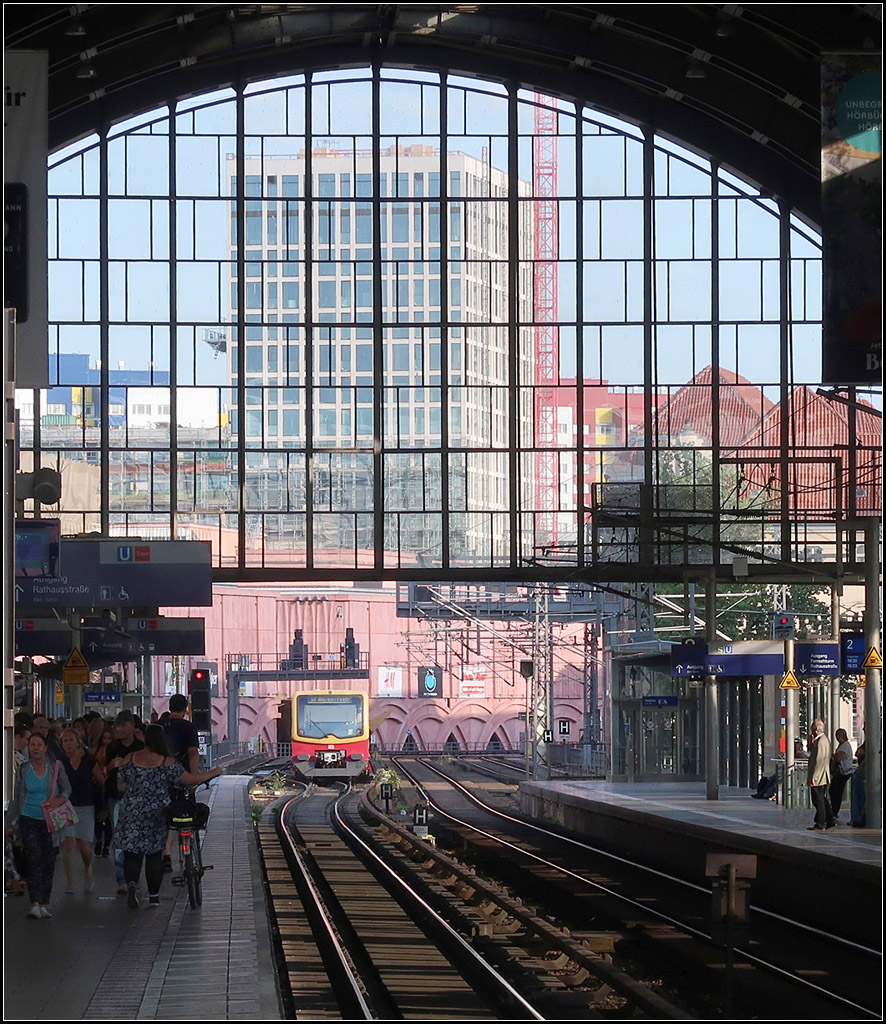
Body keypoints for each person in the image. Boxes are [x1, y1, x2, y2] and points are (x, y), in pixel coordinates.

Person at [112, 725, 223, 908]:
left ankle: (131, 883)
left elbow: (120, 787)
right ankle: (154, 897)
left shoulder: (130, 758)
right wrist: (213, 772)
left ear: (145, 739)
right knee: (154, 854)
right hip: (156, 812)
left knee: (132, 852)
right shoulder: (167, 762)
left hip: (131, 809)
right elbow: (189, 780)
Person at [6, 733, 72, 918]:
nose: (35, 748)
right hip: (29, 818)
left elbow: (67, 788)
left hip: (51, 820)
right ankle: (35, 903)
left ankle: (44, 902)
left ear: (45, 748)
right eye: (32, 744)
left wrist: (60, 800)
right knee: (33, 857)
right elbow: (16, 797)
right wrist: (7, 823)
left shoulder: (56, 767)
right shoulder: (23, 769)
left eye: (39, 744)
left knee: (48, 860)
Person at [59, 728, 103, 894]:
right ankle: (70, 882)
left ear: (78, 742)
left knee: (85, 847)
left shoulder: (89, 760)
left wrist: (102, 805)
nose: (68, 744)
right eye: (65, 741)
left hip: (86, 805)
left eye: (71, 740)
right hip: (67, 806)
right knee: (69, 843)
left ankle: (87, 867)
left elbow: (99, 782)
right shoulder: (60, 762)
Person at [105, 710, 145, 893]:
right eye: (117, 726)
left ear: (132, 726)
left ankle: (133, 877)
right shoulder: (112, 748)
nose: (119, 729)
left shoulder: (141, 748)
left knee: (136, 838)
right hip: (117, 798)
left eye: (123, 725)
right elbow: (105, 772)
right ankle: (122, 879)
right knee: (119, 839)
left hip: (137, 799)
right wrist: (111, 766)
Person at [162, 694, 201, 871]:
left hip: (159, 777)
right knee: (185, 815)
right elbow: (192, 753)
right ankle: (189, 858)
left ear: (170, 707)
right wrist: (194, 778)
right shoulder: (188, 727)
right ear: (185, 709)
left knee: (165, 816)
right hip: (181, 777)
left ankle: (165, 853)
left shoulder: (158, 726)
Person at [807, 719, 834, 831]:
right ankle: (829, 819)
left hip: (820, 776)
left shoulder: (821, 741)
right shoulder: (821, 741)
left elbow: (819, 761)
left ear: (817, 730)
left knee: (818, 800)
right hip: (822, 775)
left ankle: (821, 823)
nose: (811, 731)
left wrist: (815, 777)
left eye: (812, 729)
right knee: (821, 799)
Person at [829, 728, 854, 821]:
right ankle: (834, 810)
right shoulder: (842, 745)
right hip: (841, 771)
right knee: (834, 791)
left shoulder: (845, 746)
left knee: (836, 791)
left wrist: (834, 756)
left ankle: (834, 811)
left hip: (843, 772)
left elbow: (839, 757)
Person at [850, 740, 866, 827]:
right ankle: (858, 818)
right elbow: (858, 753)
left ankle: (858, 818)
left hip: (862, 776)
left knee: (859, 796)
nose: (863, 729)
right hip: (862, 775)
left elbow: (859, 753)